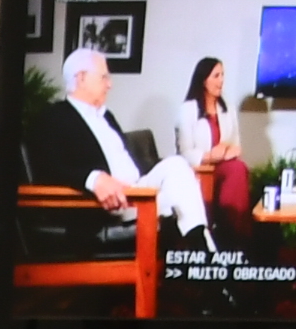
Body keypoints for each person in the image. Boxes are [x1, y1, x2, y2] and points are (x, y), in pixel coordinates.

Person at [29, 44, 209, 241]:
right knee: (183, 195)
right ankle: (201, 255)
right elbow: (48, 167)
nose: (110, 84)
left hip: (139, 191)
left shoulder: (107, 116)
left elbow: (130, 162)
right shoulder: (54, 117)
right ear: (81, 79)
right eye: (104, 77)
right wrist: (93, 178)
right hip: (108, 203)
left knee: (178, 166)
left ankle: (199, 248)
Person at [172, 56, 254, 245]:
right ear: (203, 80)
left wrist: (225, 152)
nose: (221, 80)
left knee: (237, 168)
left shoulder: (228, 109)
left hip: (224, 168)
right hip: (200, 171)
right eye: (216, 75)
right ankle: (231, 234)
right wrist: (209, 156)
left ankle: (234, 233)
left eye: (222, 75)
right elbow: (184, 153)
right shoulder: (187, 110)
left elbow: (235, 145)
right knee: (236, 170)